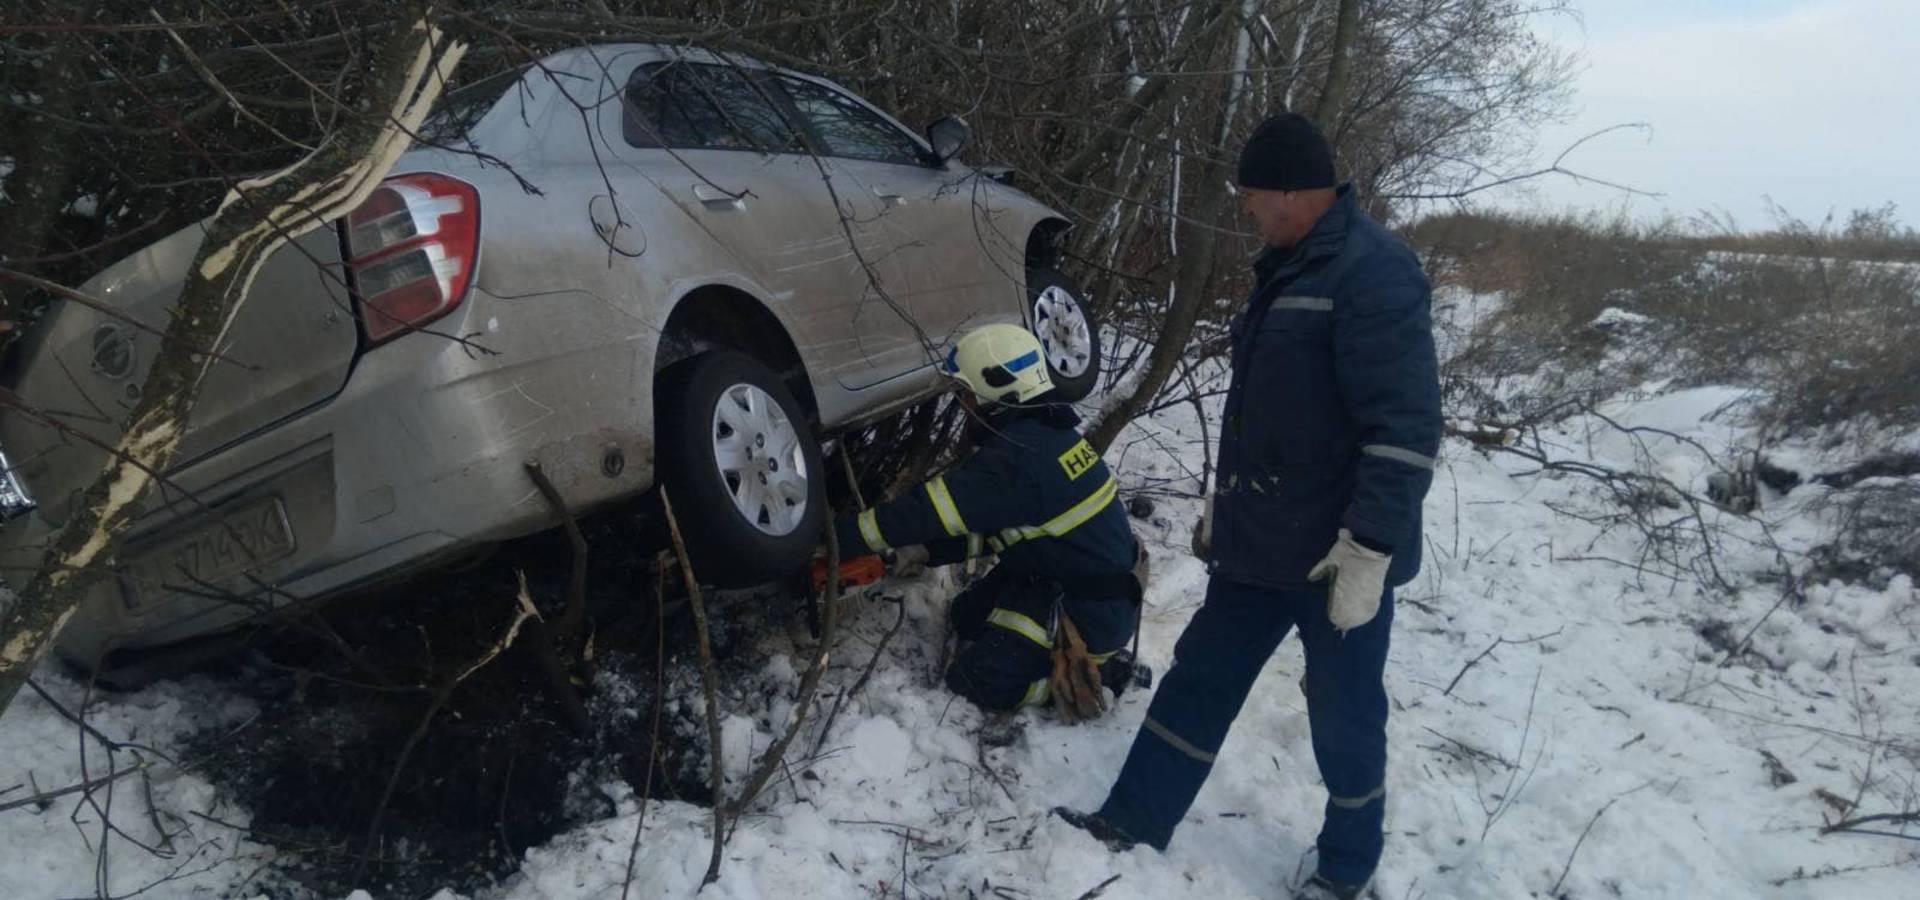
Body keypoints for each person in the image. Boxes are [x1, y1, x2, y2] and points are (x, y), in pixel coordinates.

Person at [1055, 113, 1442, 900]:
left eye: (1254, 195)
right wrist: (1223, 509)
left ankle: (1346, 868)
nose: (1247, 210)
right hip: (1261, 543)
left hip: (1338, 558)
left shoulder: (1375, 272)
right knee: (1200, 679)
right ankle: (1131, 819)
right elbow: (1270, 414)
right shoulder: (1294, 264)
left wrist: (1369, 546)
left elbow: (1403, 430)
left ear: (1298, 193)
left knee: (1344, 715)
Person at [829, 324, 1145, 716]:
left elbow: (924, 512)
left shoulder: (1017, 461)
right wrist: (917, 553)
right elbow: (1000, 531)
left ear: (999, 391)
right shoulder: (1048, 437)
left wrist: (835, 541)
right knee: (966, 618)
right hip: (1067, 580)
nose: (965, 407)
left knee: (975, 682)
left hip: (1086, 612)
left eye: (967, 394)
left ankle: (1095, 672)